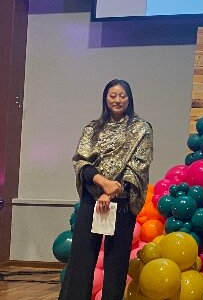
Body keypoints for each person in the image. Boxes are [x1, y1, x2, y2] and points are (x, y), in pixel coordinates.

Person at [59, 79, 153, 300]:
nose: (117, 100)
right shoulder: (92, 128)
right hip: (92, 199)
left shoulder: (141, 129)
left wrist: (110, 193)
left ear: (129, 99)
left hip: (122, 203)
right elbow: (81, 162)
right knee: (81, 258)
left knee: (116, 261)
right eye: (112, 95)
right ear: (105, 99)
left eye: (122, 95)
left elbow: (138, 166)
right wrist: (102, 183)